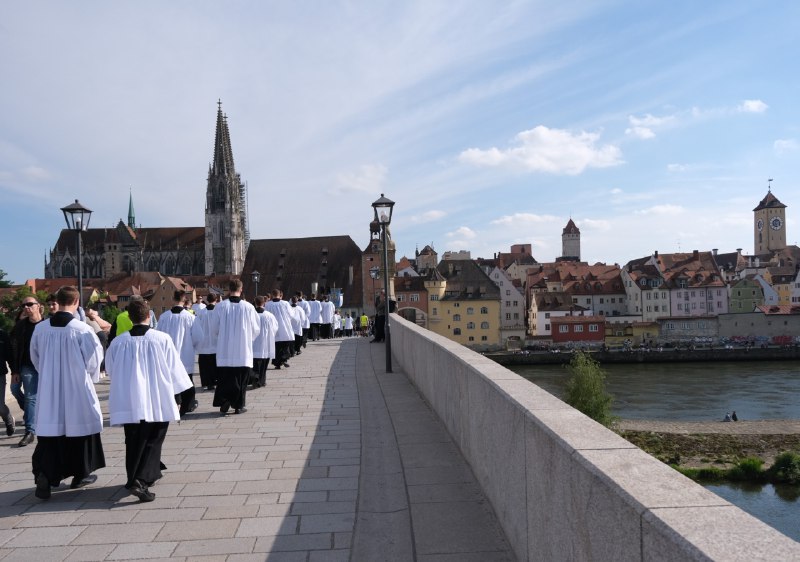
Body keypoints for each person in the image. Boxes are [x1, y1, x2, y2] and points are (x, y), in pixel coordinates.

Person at [106, 299, 192, 502]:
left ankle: (133, 477)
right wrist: (177, 396)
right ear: (148, 316)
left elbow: (110, 369)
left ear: (129, 317)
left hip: (129, 398)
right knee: (154, 439)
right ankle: (142, 479)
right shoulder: (161, 339)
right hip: (157, 397)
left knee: (133, 439)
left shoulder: (118, 342)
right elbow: (174, 369)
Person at [30, 286, 105, 500]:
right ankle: (80, 474)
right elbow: (93, 361)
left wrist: (47, 374)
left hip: (49, 389)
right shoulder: (81, 329)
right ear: (77, 302)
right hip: (76, 388)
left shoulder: (41, 329)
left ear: (58, 300)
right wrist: (87, 379)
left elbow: (35, 357)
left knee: (51, 434)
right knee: (79, 431)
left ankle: (46, 474)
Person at [210, 279, 260, 415]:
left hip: (224, 350)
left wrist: (221, 340)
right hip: (242, 350)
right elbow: (256, 329)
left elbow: (214, 329)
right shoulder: (248, 307)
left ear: (228, 289)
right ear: (241, 289)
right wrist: (248, 339)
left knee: (225, 379)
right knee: (241, 379)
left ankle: (225, 399)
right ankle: (238, 406)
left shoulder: (220, 307)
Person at [10, 296, 44, 447]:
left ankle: (30, 431)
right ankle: (33, 414)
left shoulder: (46, 325)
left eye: (30, 304)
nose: (26, 307)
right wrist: (14, 371)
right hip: (25, 365)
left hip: (41, 366)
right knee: (15, 390)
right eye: (24, 305)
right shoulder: (20, 326)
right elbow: (14, 349)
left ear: (38, 306)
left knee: (31, 398)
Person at [157, 291, 197, 416]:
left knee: (170, 380)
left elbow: (158, 336)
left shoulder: (164, 317)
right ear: (184, 300)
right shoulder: (190, 317)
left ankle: (173, 403)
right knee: (187, 380)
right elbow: (198, 336)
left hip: (168, 355)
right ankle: (188, 405)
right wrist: (191, 345)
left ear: (172, 298)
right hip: (185, 353)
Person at [192, 292, 218, 391]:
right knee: (214, 365)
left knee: (204, 366)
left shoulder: (201, 313)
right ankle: (214, 382)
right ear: (215, 300)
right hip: (215, 343)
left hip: (203, 344)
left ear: (207, 300)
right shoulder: (218, 312)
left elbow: (197, 327)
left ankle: (205, 383)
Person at [265, 289, 295, 370]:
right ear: (280, 295)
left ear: (272, 295)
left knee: (276, 346)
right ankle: (284, 358)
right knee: (285, 344)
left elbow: (266, 316)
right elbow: (291, 315)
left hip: (273, 328)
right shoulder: (285, 303)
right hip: (284, 326)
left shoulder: (268, 304)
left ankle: (277, 363)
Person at [252, 296, 278, 388]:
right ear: (264, 303)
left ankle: (255, 378)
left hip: (253, 344)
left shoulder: (251, 314)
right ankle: (262, 380)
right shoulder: (269, 315)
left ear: (255, 303)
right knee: (263, 364)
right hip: (265, 343)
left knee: (254, 363)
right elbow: (275, 328)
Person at [0, 327, 15, 437]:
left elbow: (9, 355)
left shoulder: (3, 335)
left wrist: (14, 371)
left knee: (0, 405)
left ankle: (8, 420)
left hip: (0, 374)